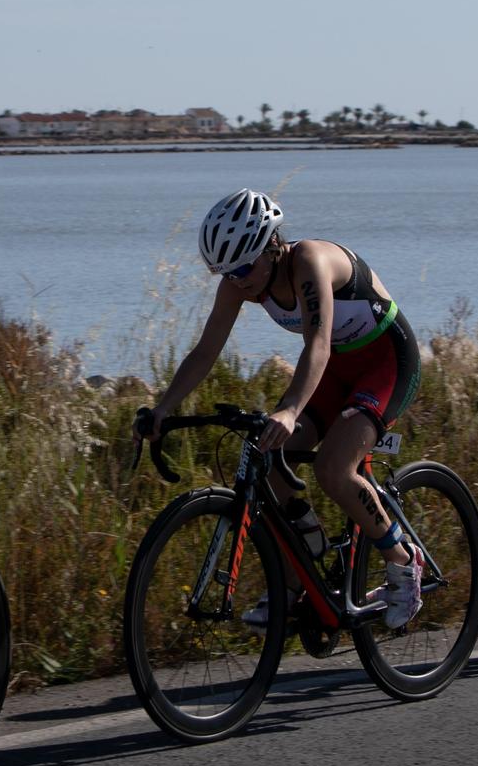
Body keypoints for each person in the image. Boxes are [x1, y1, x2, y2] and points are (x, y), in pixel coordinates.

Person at [138, 189, 424, 627]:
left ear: (272, 247)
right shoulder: (239, 284)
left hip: (386, 361)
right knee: (267, 458)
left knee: (333, 468)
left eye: (244, 268)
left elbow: (319, 344)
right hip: (335, 369)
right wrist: (163, 407)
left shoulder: (310, 261)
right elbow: (206, 350)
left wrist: (290, 410)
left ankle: (403, 563)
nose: (237, 280)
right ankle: (299, 570)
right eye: (226, 272)